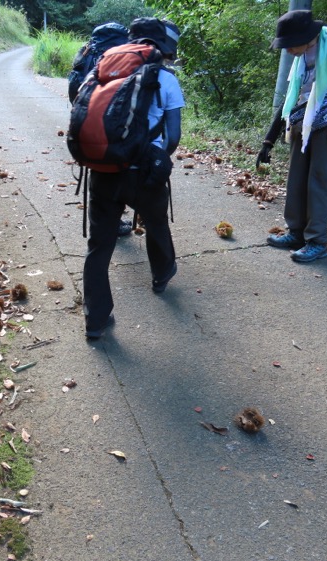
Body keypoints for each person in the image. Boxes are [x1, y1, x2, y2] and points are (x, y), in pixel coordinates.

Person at [82, 17, 185, 339]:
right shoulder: (165, 79)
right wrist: (157, 158)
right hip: (143, 173)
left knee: (99, 246)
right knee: (156, 224)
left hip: (102, 170)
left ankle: (96, 320)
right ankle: (162, 274)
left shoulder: (100, 69)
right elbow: (174, 135)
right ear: (164, 46)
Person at [257, 10, 327, 262]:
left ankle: (317, 241)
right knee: (296, 177)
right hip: (301, 119)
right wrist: (268, 139)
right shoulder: (301, 54)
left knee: (319, 180)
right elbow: (291, 99)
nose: (288, 51)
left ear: (307, 37)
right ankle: (296, 233)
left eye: (289, 45)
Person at [69, 22, 136, 237]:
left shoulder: (88, 51)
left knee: (96, 171)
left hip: (85, 119)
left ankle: (99, 221)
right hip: (112, 123)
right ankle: (113, 223)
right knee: (115, 171)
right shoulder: (121, 54)